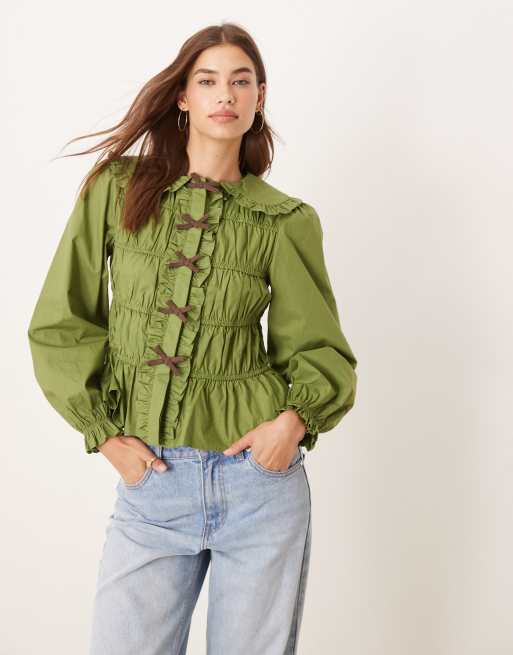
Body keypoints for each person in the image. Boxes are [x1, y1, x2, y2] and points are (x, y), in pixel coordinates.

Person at [27, 22, 358, 655]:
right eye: (207, 81)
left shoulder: (284, 220)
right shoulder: (117, 190)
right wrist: (105, 435)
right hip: (152, 482)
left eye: (241, 81)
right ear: (183, 96)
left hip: (259, 486)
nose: (224, 94)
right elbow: (61, 323)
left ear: (259, 97)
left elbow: (320, 349)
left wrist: (290, 426)